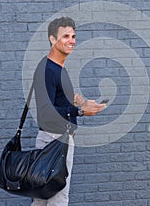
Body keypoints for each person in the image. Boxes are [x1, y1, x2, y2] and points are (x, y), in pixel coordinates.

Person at [31, 17, 106, 206]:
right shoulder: (47, 69)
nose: (71, 40)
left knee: (42, 199)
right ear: (52, 39)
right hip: (54, 139)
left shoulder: (59, 68)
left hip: (57, 138)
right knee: (58, 198)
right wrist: (80, 111)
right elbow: (45, 112)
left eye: (73, 36)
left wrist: (75, 99)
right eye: (65, 36)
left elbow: (54, 99)